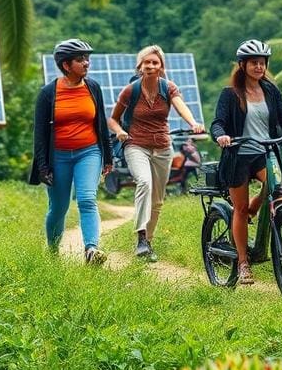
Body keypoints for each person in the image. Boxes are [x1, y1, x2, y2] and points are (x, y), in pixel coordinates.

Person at [211, 39, 282, 286]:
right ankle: (243, 263)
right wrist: (222, 136)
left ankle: (257, 208)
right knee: (239, 210)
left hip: (264, 153)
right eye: (253, 63)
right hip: (238, 155)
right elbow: (218, 123)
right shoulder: (230, 95)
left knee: (276, 188)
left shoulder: (270, 91)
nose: (259, 67)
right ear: (243, 65)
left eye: (262, 63)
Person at [107, 44, 204, 262]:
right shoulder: (130, 90)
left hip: (162, 147)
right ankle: (141, 237)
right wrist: (121, 131)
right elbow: (112, 119)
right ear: (140, 66)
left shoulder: (168, 87)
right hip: (136, 145)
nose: (150, 66)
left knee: (158, 201)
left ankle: (147, 242)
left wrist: (193, 122)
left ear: (160, 67)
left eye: (155, 62)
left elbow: (181, 106)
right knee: (144, 183)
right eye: (146, 62)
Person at [29, 39, 113, 265]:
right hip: (58, 156)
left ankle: (91, 249)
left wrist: (108, 155)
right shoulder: (48, 93)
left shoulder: (93, 87)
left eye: (87, 59)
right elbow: (39, 134)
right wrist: (43, 166)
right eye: (80, 60)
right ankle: (53, 254)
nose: (86, 63)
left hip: (89, 152)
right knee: (59, 208)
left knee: (87, 199)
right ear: (66, 65)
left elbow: (101, 123)